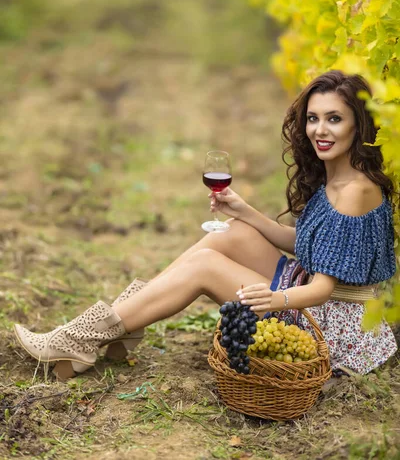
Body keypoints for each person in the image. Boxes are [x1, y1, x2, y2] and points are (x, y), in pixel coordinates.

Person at [14, 70, 398, 380]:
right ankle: (124, 319)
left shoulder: (354, 190)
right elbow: (312, 247)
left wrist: (274, 298)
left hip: (332, 323)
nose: (320, 130)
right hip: (311, 293)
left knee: (204, 266)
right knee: (233, 232)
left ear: (357, 126)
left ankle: (87, 336)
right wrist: (245, 211)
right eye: (313, 118)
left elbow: (322, 288)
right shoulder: (338, 176)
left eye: (334, 119)